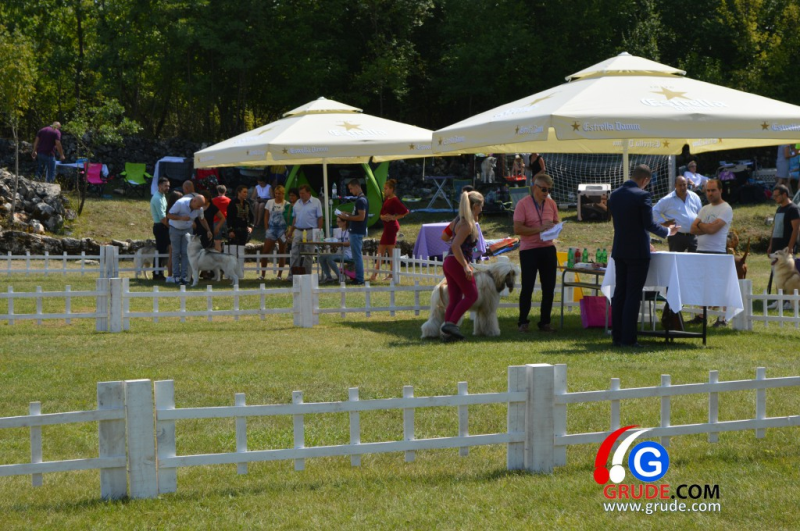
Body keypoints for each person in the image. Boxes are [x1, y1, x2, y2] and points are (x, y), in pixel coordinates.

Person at [608, 165, 677, 347]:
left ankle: (617, 336)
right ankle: (629, 338)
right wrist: (668, 231)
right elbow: (648, 224)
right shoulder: (642, 195)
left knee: (620, 293)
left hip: (620, 248)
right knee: (633, 294)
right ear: (645, 180)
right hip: (637, 251)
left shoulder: (614, 195)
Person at [514, 174, 559, 333]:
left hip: (548, 248)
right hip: (529, 250)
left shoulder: (551, 203)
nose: (547, 193)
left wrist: (554, 228)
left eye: (549, 190)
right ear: (535, 187)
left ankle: (545, 322)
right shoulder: (523, 204)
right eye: (544, 189)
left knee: (549, 287)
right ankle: (523, 322)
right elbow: (517, 229)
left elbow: (556, 222)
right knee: (527, 287)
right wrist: (539, 229)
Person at [440, 191, 484, 341]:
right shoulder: (467, 225)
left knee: (455, 299)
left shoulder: (458, 220)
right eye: (481, 206)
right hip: (458, 262)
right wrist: (465, 266)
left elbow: (444, 236)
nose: (482, 210)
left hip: (449, 262)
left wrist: (457, 236)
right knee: (472, 295)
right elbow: (455, 245)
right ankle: (451, 324)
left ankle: (447, 333)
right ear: (475, 206)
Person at [690, 179, 733, 326]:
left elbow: (712, 229)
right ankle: (701, 315)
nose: (710, 193)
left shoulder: (726, 208)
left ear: (720, 190)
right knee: (702, 285)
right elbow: (692, 229)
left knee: (719, 285)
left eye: (713, 190)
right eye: (708, 190)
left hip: (716, 252)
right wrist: (706, 227)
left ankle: (722, 319)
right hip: (701, 251)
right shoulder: (704, 209)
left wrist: (701, 225)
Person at [167, 194, 212, 286]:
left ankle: (184, 277)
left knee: (185, 252)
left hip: (187, 230)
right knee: (176, 252)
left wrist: (208, 230)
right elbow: (169, 215)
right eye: (198, 206)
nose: (199, 208)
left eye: (200, 206)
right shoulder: (180, 203)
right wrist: (181, 218)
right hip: (175, 229)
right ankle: (176, 277)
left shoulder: (199, 208)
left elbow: (202, 219)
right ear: (194, 200)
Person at [370, 179, 409, 281]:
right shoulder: (387, 199)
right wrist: (383, 217)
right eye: (384, 188)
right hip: (387, 227)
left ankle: (385, 274)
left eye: (386, 188)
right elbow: (382, 212)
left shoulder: (394, 200)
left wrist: (394, 217)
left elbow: (405, 211)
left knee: (388, 251)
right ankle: (376, 274)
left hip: (391, 227)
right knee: (382, 250)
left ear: (392, 189)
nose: (385, 190)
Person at [652, 176, 703, 252]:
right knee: (676, 259)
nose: (682, 187)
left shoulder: (694, 197)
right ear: (675, 186)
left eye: (684, 185)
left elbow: (701, 214)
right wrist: (663, 222)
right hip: (676, 237)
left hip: (693, 236)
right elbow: (654, 211)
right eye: (680, 185)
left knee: (694, 259)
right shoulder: (668, 199)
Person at [288, 184, 324, 278]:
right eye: (300, 193)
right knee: (294, 253)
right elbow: (294, 219)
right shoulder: (297, 203)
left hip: (311, 231)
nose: (301, 195)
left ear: (309, 193)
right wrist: (291, 231)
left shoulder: (316, 202)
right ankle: (292, 275)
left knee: (309, 254)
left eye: (303, 193)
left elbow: (320, 218)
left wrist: (319, 232)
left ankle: (307, 275)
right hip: (298, 230)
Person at [337, 179, 368, 285]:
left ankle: (360, 279)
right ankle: (358, 277)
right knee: (356, 256)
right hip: (356, 231)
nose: (350, 191)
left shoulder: (361, 200)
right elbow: (357, 215)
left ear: (357, 186)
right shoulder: (361, 199)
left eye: (351, 188)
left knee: (357, 256)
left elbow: (361, 217)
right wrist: (348, 214)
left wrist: (347, 218)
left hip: (356, 231)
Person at [260, 185, 289, 280]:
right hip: (272, 229)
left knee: (282, 252)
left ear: (283, 194)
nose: (277, 195)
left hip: (282, 230)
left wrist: (287, 230)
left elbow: (288, 218)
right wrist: (266, 228)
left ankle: (279, 275)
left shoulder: (287, 204)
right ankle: (262, 274)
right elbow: (266, 216)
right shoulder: (270, 202)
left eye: (279, 193)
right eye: (276, 193)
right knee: (265, 252)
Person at [767, 184, 800, 256]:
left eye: (776, 196)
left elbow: (796, 229)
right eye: (774, 196)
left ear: (784, 194)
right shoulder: (779, 209)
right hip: (776, 249)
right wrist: (771, 245)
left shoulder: (793, 209)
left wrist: (790, 247)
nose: (774, 198)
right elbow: (775, 228)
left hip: (786, 250)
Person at [150, 177, 170, 280]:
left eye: (168, 186)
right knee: (160, 250)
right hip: (160, 227)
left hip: (162, 226)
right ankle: (157, 273)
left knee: (162, 250)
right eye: (165, 186)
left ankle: (159, 272)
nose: (167, 188)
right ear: (159, 186)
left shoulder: (163, 196)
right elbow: (162, 218)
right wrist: (171, 227)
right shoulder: (157, 198)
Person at [320, 218, 352, 283]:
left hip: (348, 254)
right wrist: (329, 242)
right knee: (322, 257)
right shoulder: (338, 231)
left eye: (339, 222)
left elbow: (349, 243)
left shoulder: (350, 231)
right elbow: (335, 242)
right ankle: (329, 277)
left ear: (344, 222)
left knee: (330, 258)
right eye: (337, 221)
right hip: (339, 253)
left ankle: (340, 276)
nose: (337, 223)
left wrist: (339, 244)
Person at [164, 191, 183, 283]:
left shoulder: (169, 209)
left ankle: (170, 275)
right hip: (175, 233)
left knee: (172, 255)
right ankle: (171, 275)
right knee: (173, 255)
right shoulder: (176, 210)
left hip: (170, 232)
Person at [211, 185, 230, 251]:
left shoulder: (213, 200)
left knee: (217, 241)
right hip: (226, 221)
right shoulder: (229, 200)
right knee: (230, 239)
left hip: (216, 221)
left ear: (218, 191)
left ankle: (218, 254)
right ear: (225, 191)